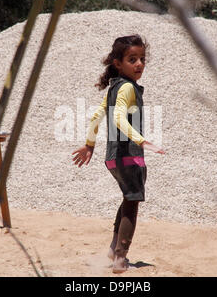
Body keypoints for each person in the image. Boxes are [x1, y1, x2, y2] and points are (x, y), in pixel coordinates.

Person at [71, 34, 165, 274]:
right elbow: (118, 118)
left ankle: (114, 249)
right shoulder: (127, 89)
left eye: (142, 58)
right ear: (118, 63)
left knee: (128, 197)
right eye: (132, 59)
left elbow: (96, 117)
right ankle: (120, 258)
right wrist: (143, 141)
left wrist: (89, 145)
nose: (139, 64)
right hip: (129, 155)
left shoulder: (114, 88)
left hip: (112, 157)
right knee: (133, 202)